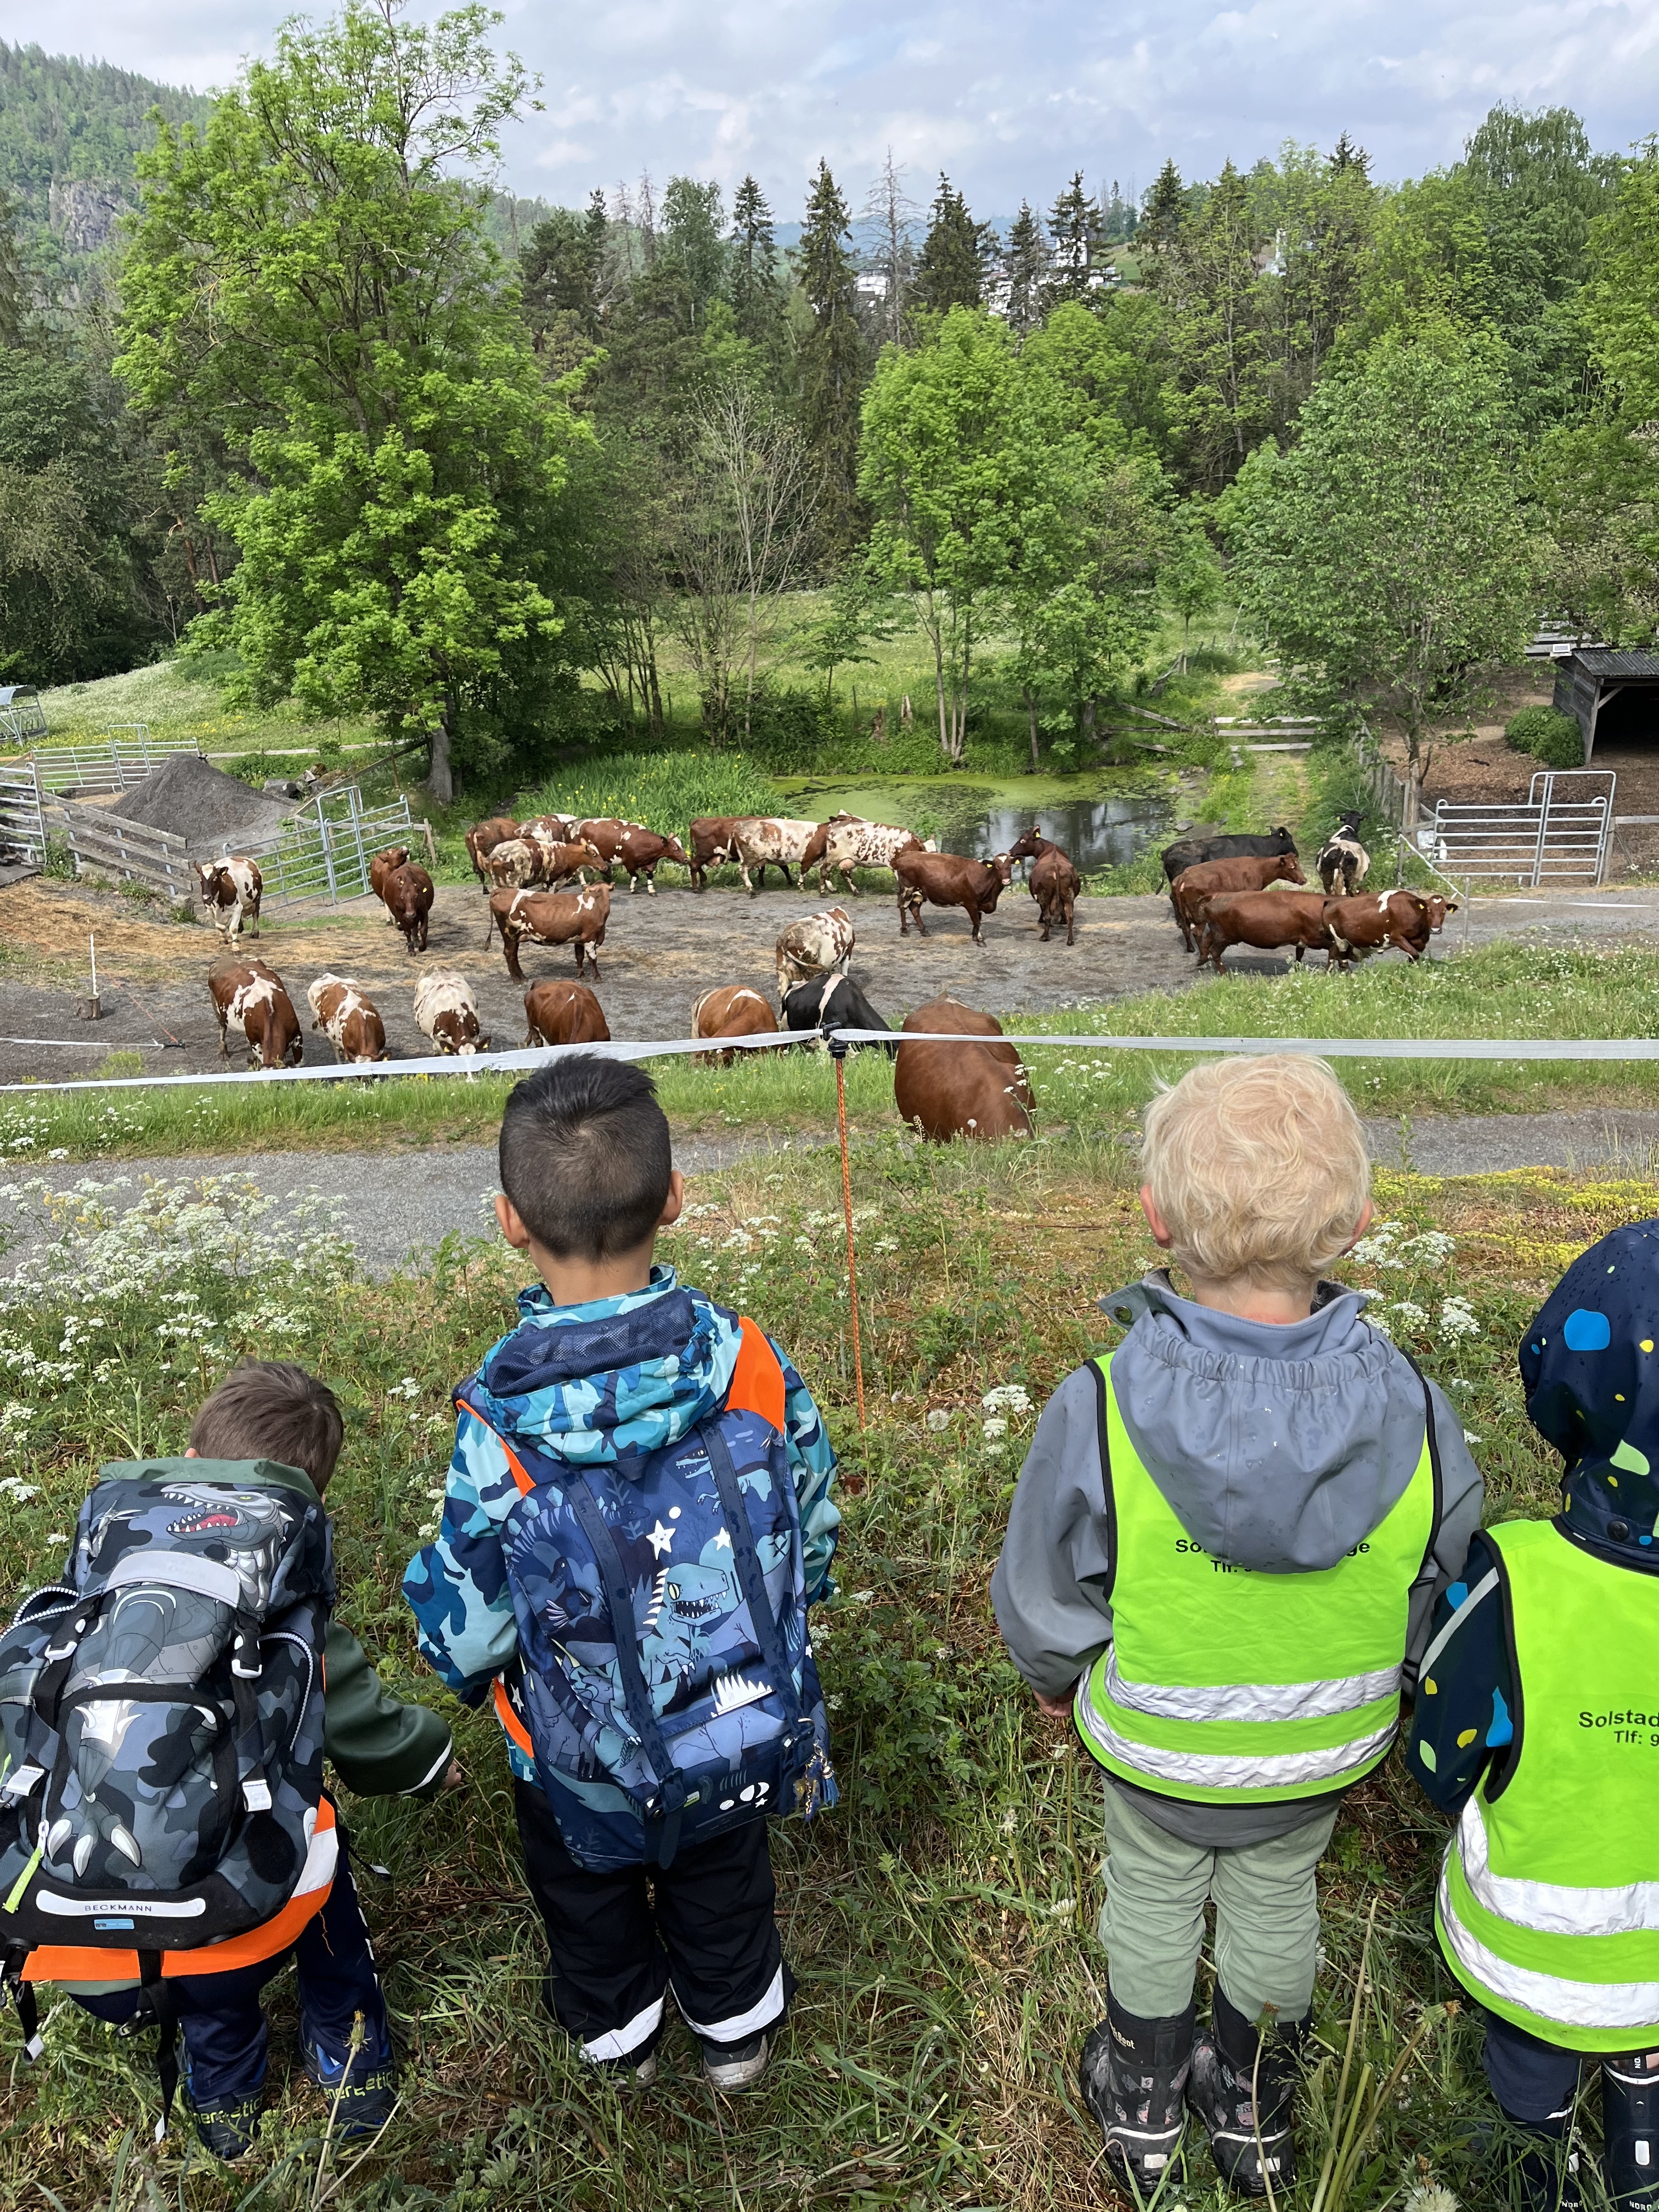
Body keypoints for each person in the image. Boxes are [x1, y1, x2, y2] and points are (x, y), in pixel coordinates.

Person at [991, 1054, 1482, 2198]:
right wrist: (1402, 1669)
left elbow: (1047, 1586)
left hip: (1158, 1743)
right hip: (1320, 1750)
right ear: (1356, 1224)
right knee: (1277, 1897)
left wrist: (1064, 1671)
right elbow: (1444, 1565)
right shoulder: (1412, 1407)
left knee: (1155, 1893)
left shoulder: (1102, 1402)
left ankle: (1144, 2098)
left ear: (1155, 1217)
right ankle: (1253, 2109)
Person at [403, 1055, 839, 2094]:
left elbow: (470, 1628)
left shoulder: (499, 1423)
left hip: (575, 1760)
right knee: (723, 1875)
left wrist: (461, 1661)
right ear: (675, 1199)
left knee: (586, 1893)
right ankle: (735, 2034)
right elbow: (809, 1526)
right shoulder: (748, 1362)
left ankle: (620, 2042)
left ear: (510, 1219)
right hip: (734, 1720)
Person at [38, 1360, 459, 2162]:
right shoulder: (288, 1615)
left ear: (192, 1457)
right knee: (321, 1865)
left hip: (113, 1922)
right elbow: (373, 1735)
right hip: (251, 1906)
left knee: (207, 1997)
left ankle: (224, 2094)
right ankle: (349, 2048)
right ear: (304, 1505)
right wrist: (435, 1761)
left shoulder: (109, 1581)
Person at [1409, 1220, 1659, 2212]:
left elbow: (1440, 1757)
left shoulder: (1515, 1577)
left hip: (1535, 1948)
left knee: (1528, 2069)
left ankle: (1531, 2165)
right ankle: (1640, 2156)